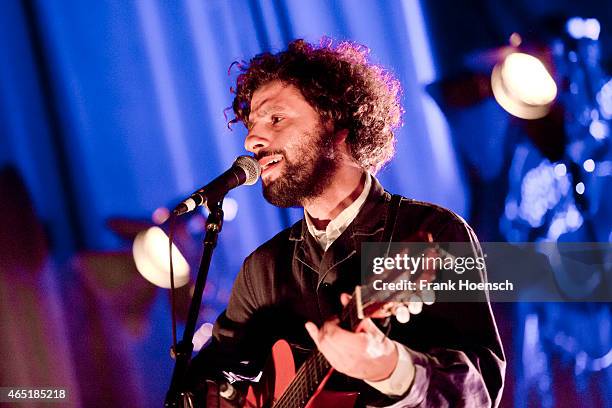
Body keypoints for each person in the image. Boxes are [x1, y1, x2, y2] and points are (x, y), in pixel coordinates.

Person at [187, 39, 505, 407]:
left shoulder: (434, 231)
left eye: (276, 119)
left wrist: (389, 367)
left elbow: (480, 391)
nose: (251, 139)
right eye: (252, 125)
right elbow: (215, 374)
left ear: (336, 121)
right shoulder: (262, 270)